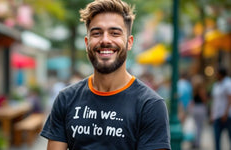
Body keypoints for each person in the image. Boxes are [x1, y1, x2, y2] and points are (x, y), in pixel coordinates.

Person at [40, 0, 171, 149]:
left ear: (129, 42)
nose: (105, 40)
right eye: (97, 33)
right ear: (86, 42)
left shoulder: (150, 106)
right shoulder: (66, 99)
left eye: (115, 33)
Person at [211, 67, 231, 150]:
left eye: (217, 73)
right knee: (216, 138)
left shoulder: (228, 83)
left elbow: (230, 99)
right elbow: (215, 101)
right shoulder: (216, 84)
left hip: (227, 116)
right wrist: (212, 114)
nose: (215, 75)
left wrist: (226, 113)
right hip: (217, 115)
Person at [191, 74, 208, 149]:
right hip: (201, 108)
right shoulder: (201, 90)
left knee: (196, 126)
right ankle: (197, 142)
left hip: (195, 108)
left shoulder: (194, 89)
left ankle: (195, 141)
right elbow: (204, 99)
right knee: (200, 127)